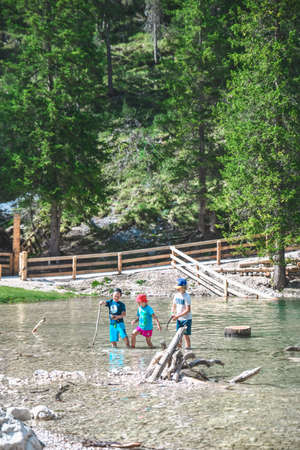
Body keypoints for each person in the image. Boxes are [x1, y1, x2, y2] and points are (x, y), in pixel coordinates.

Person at [171, 278, 192, 349]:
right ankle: (179, 349)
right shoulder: (176, 295)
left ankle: (188, 348)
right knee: (178, 335)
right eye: (177, 288)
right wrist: (172, 313)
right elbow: (174, 306)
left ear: (184, 288)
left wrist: (177, 316)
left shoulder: (187, 296)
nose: (177, 289)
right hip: (179, 319)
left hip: (186, 319)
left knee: (186, 335)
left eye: (179, 288)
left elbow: (188, 310)